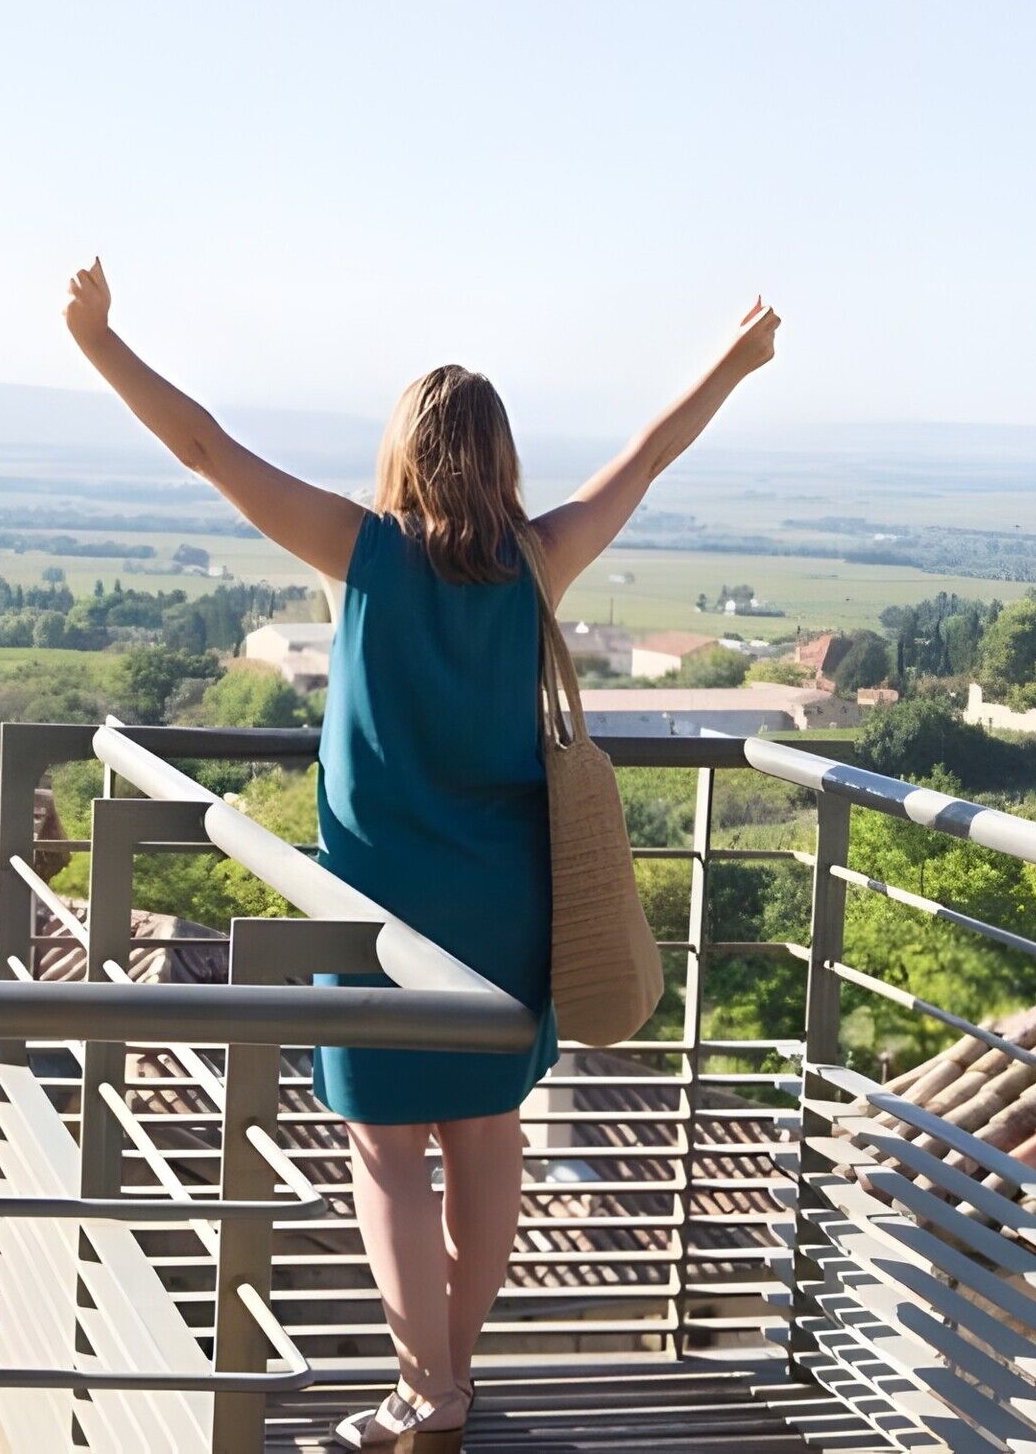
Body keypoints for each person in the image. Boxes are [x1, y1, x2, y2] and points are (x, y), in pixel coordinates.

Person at [62, 261, 778, 1451]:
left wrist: (98, 340)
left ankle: (424, 1387)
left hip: (379, 909)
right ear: (499, 462)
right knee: (487, 1135)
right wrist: (734, 363)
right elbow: (646, 457)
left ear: (403, 453)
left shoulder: (363, 551)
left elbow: (204, 446)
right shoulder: (536, 560)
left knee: (387, 1154)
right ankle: (451, 1377)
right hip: (509, 903)